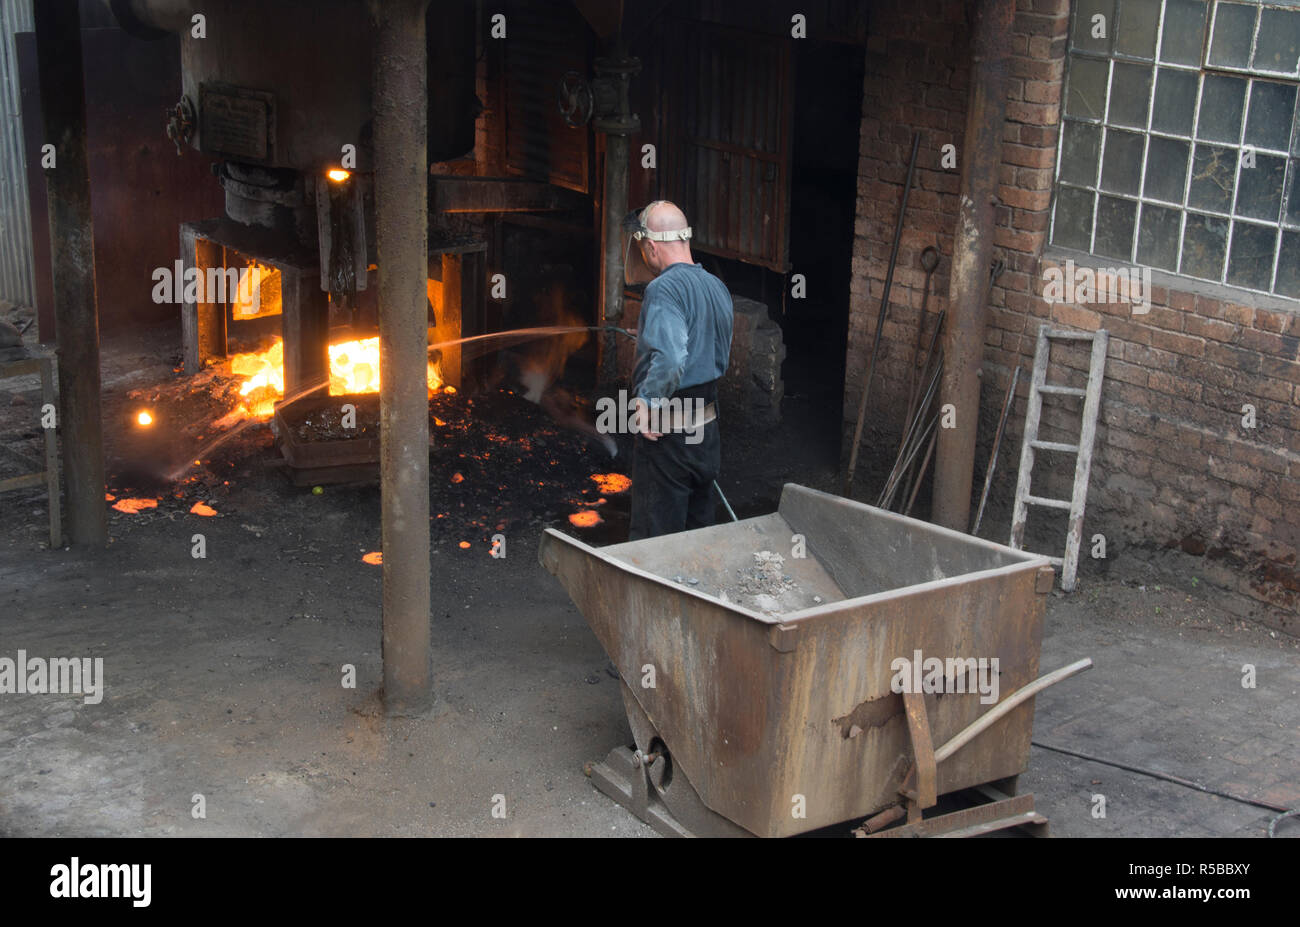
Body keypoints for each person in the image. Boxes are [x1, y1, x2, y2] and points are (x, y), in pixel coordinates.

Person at [623, 200, 733, 540]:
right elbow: (707, 348)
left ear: (652, 246)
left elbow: (671, 359)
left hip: (668, 436)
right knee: (695, 538)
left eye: (643, 249)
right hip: (706, 434)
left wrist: (646, 403)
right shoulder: (717, 287)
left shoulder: (662, 289)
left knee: (656, 540)